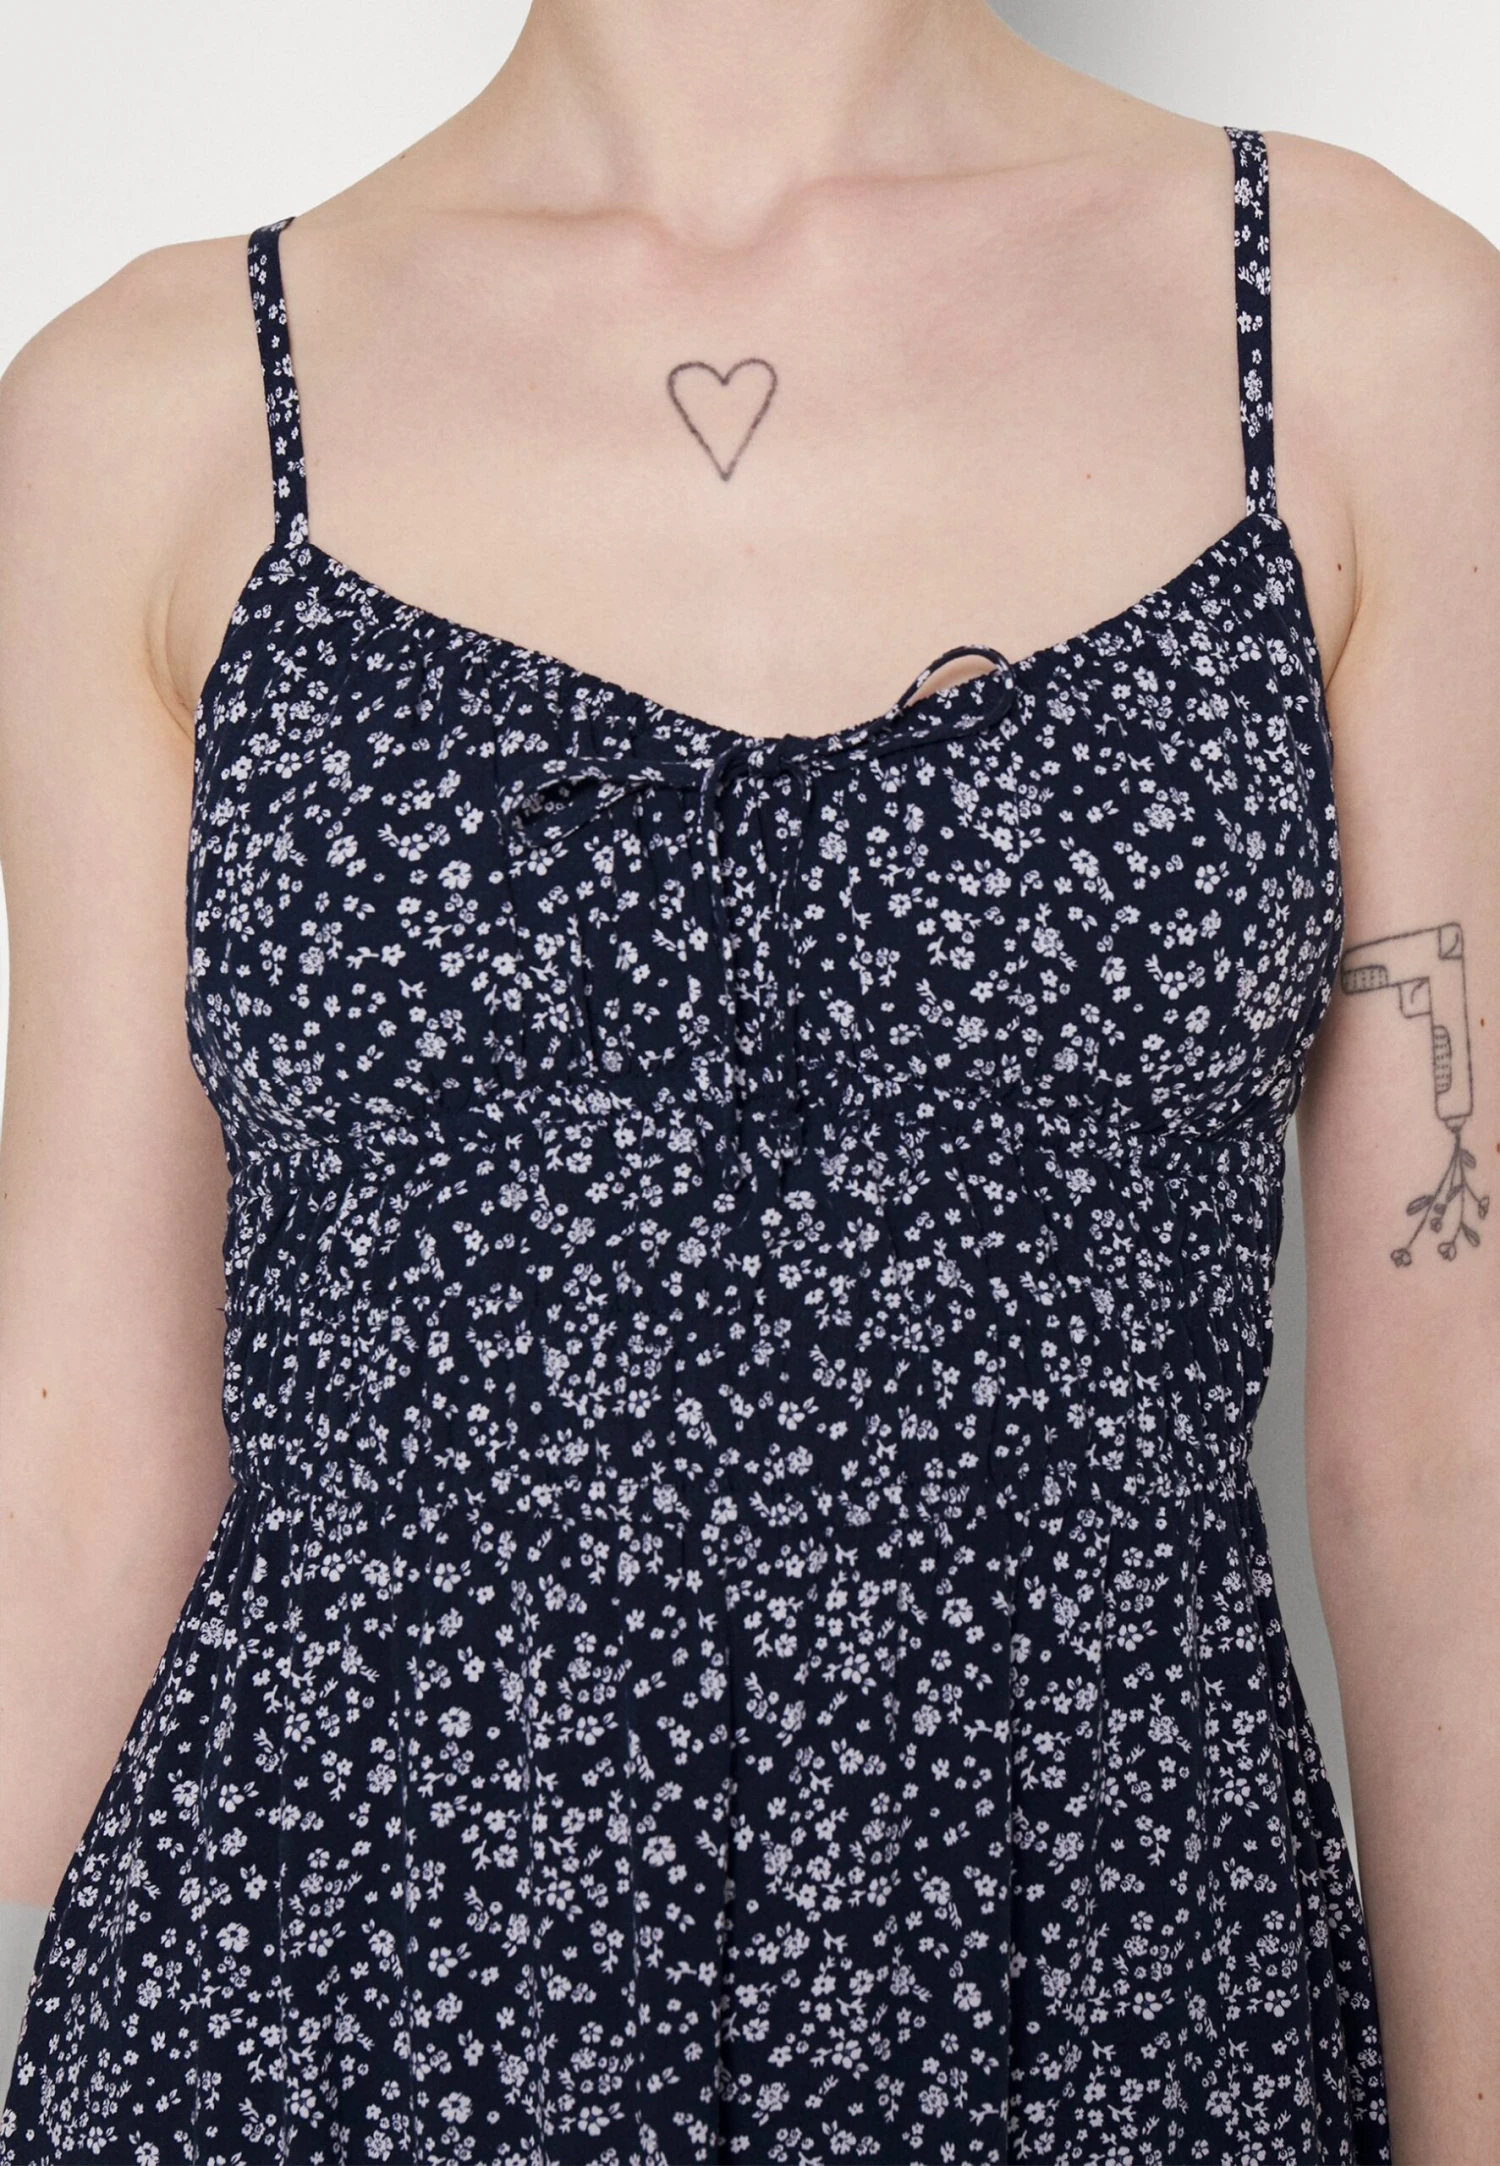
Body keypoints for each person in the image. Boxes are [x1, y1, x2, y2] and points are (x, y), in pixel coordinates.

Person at [1, 2, 1497, 2158]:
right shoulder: (147, 414)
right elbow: (81, 1489)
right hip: (320, 2037)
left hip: (1110, 2023)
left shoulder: (1378, 339)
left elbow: (1449, 1465)